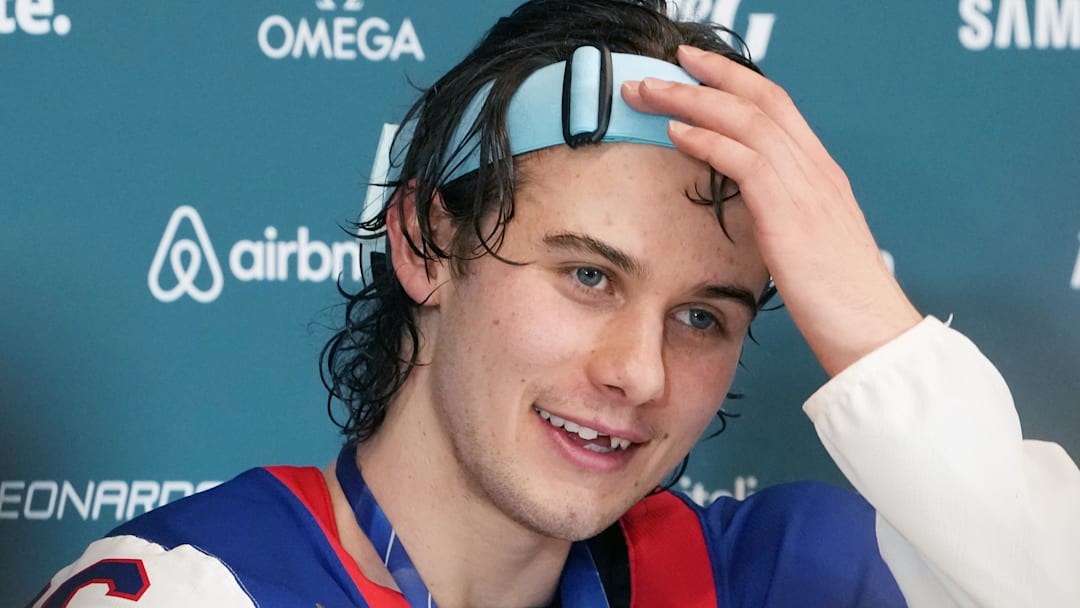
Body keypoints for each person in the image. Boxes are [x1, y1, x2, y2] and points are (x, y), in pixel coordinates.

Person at [32, 1, 1080, 606]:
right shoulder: (204, 587)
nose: (640, 373)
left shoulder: (764, 576)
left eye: (704, 316)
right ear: (424, 241)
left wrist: (870, 322)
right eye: (588, 275)